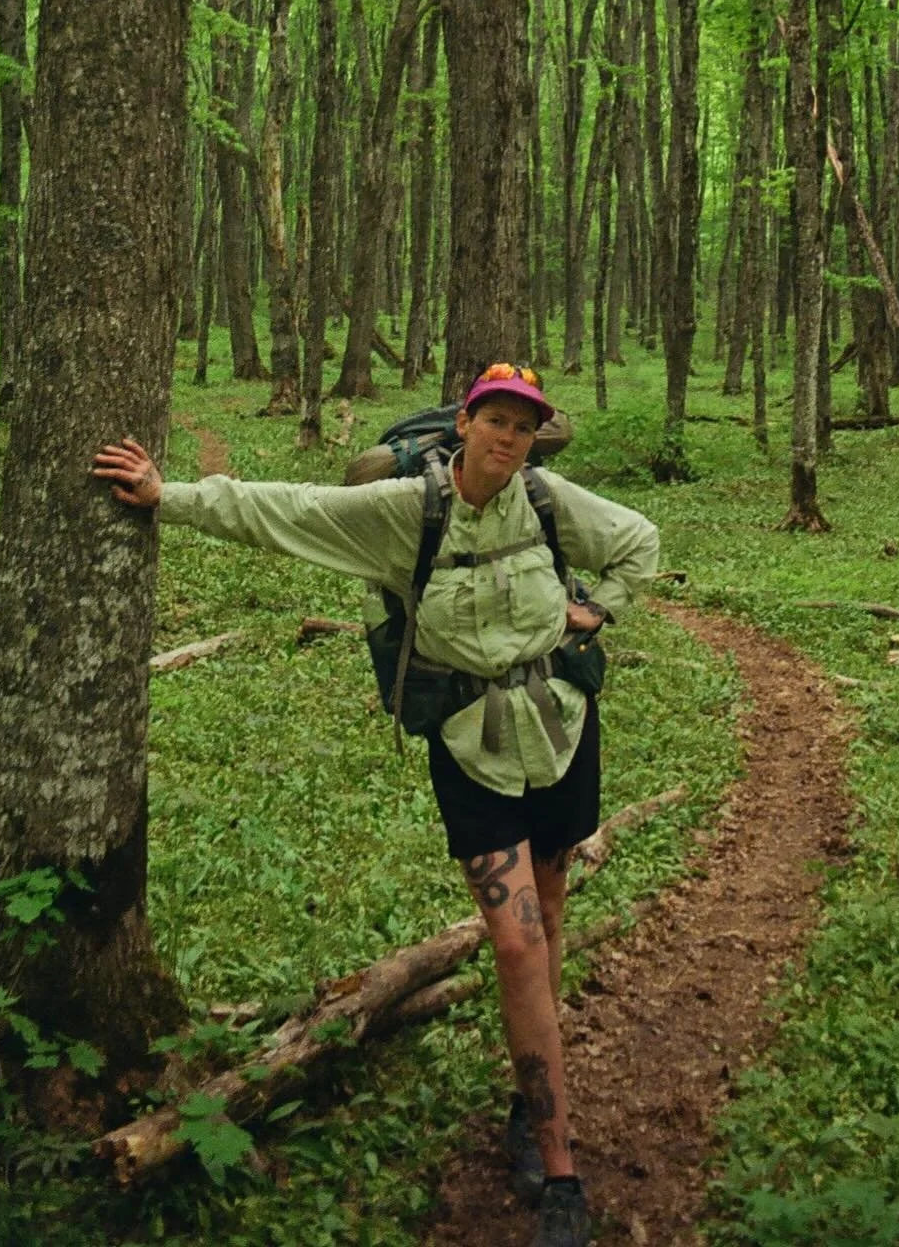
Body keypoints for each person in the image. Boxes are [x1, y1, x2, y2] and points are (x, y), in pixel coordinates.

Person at [94, 362, 659, 1247]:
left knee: (549, 913)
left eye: (525, 426)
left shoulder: (547, 501)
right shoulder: (408, 514)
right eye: (495, 422)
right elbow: (284, 511)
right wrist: (170, 495)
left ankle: (526, 1096)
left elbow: (639, 541)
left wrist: (598, 611)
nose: (509, 440)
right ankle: (559, 1167)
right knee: (515, 941)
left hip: (561, 729)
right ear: (464, 425)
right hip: (472, 743)